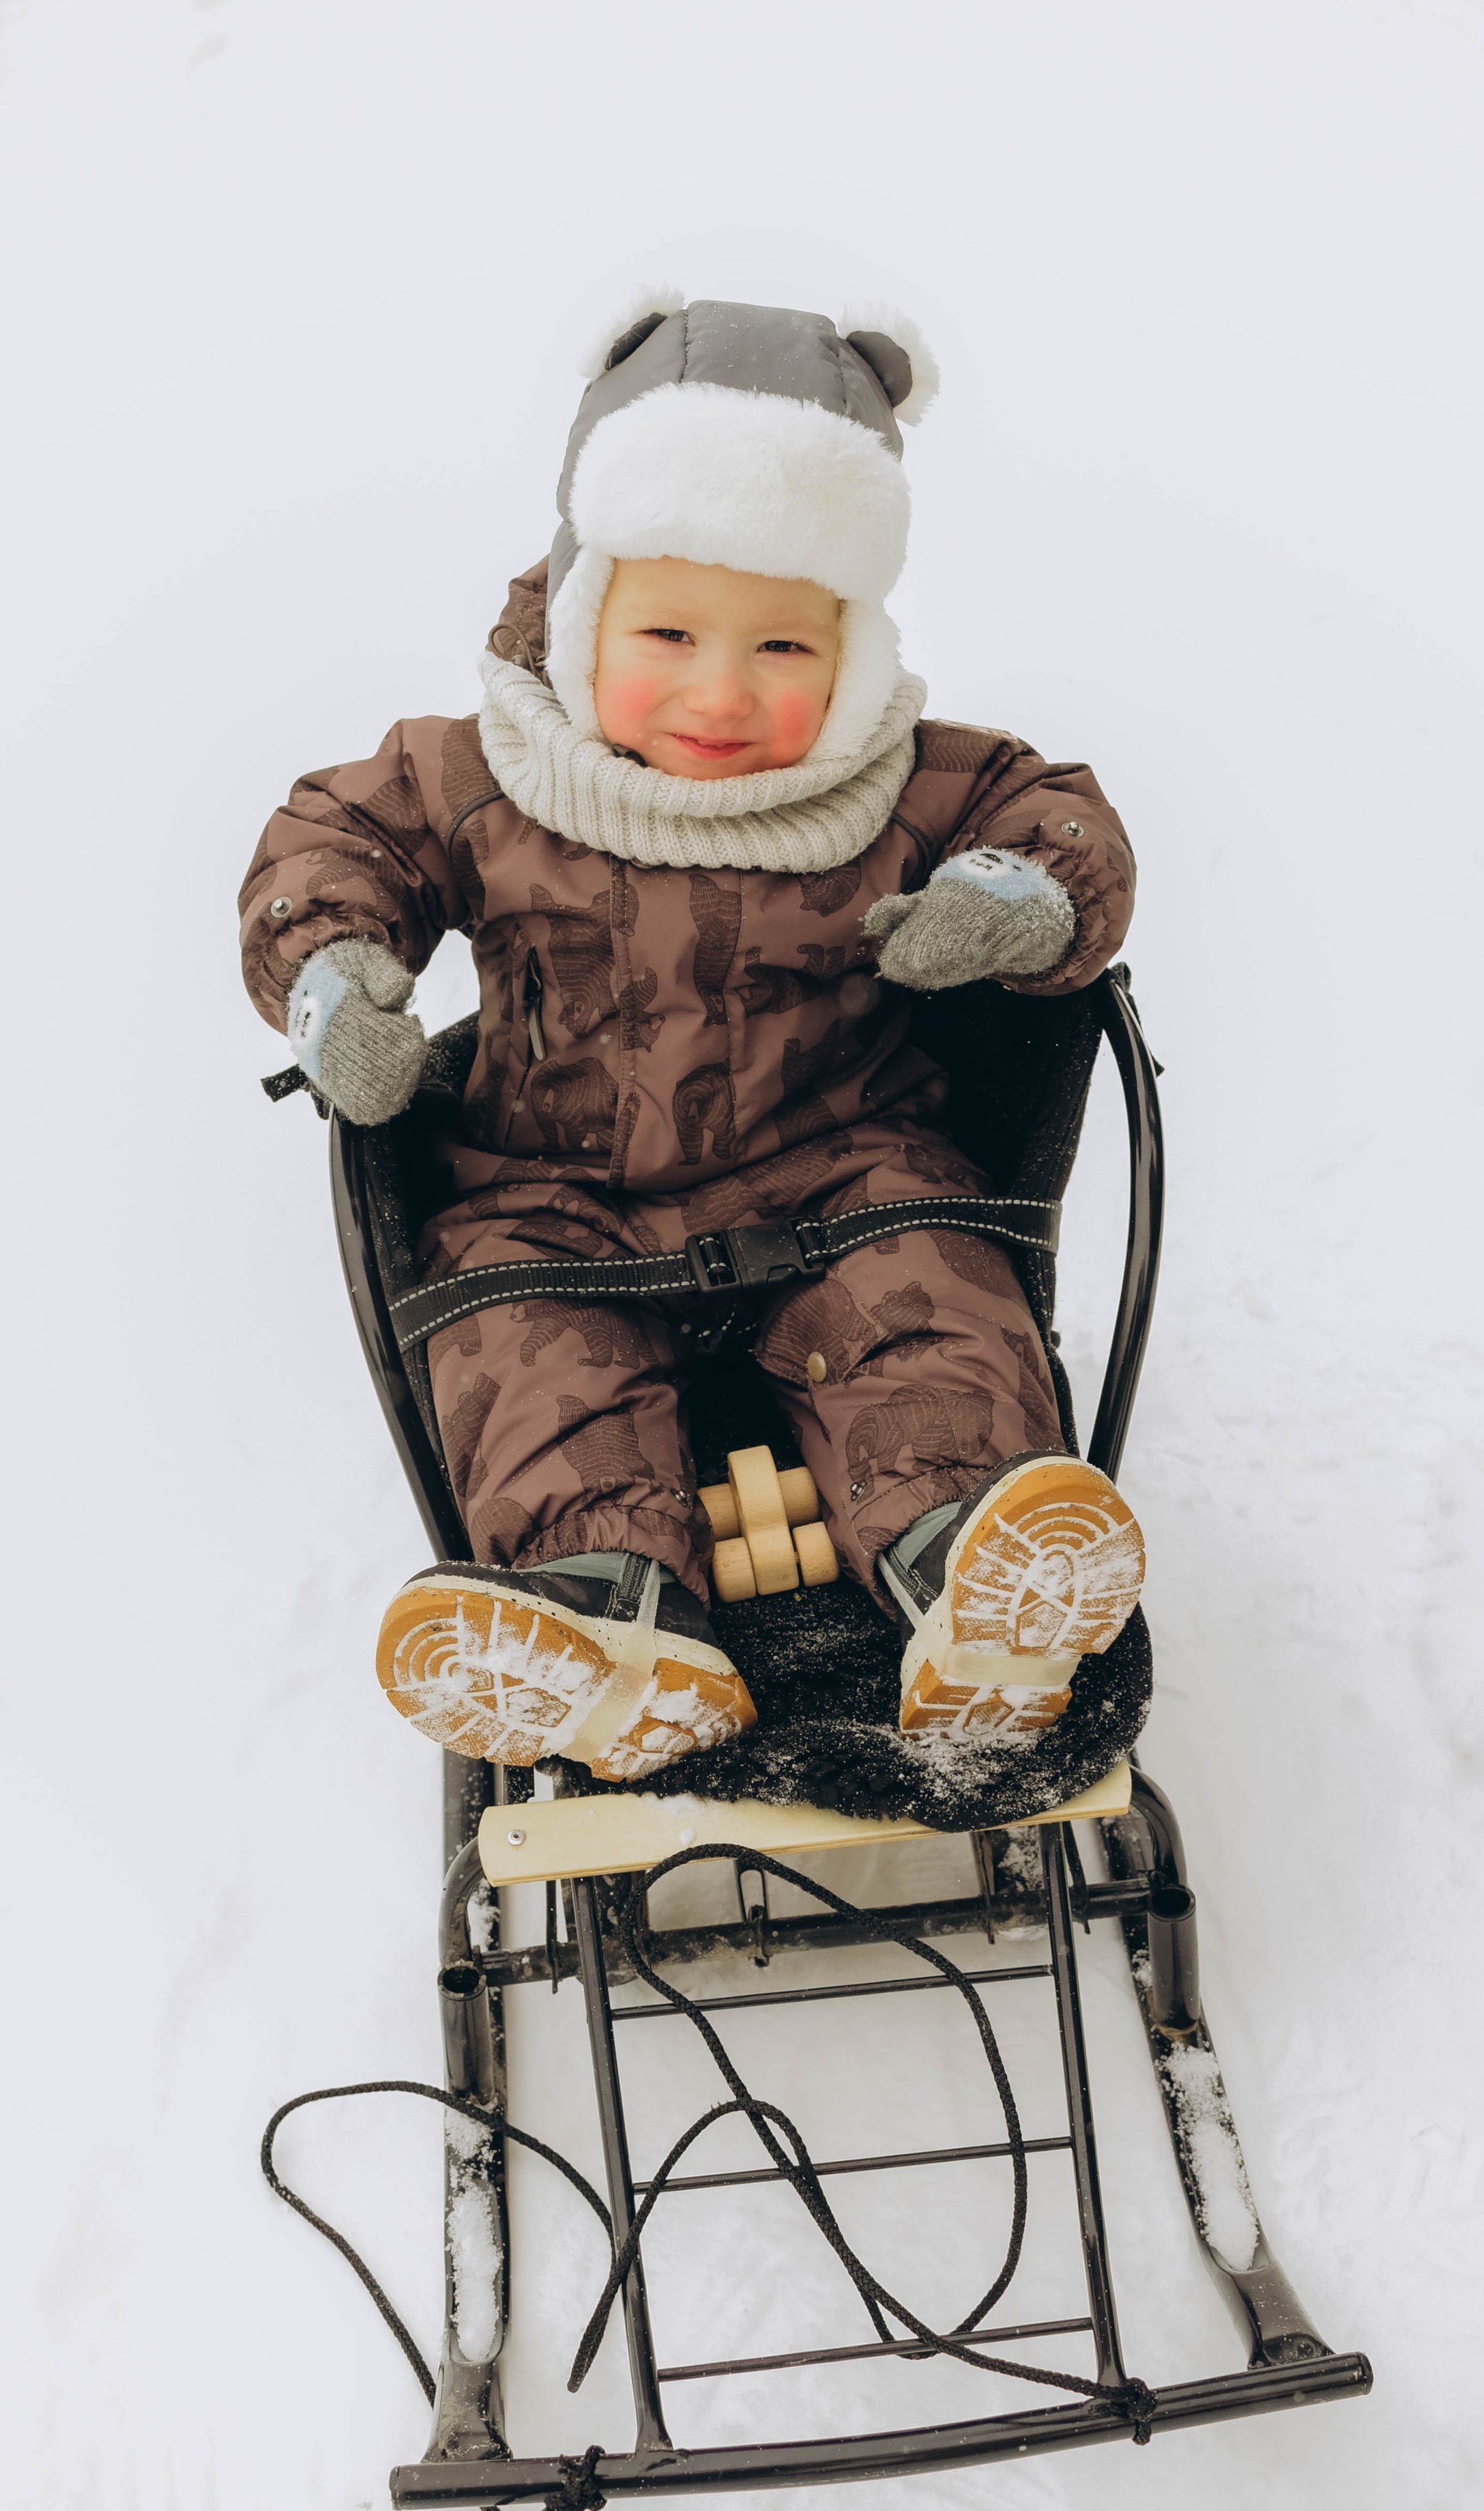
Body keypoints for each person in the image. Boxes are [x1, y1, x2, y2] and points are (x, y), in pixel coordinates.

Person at [239, 296, 1144, 1783]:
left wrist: (1016, 893)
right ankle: (606, 1625)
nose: (720, 694)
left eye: (783, 643)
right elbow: (335, 836)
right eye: (667, 633)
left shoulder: (892, 779)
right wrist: (335, 966)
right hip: (552, 1199)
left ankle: (971, 1577)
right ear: (586, 611)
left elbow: (1053, 814)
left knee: (923, 1321)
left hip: (848, 1174)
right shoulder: (487, 776)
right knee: (528, 1353)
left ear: (850, 649)